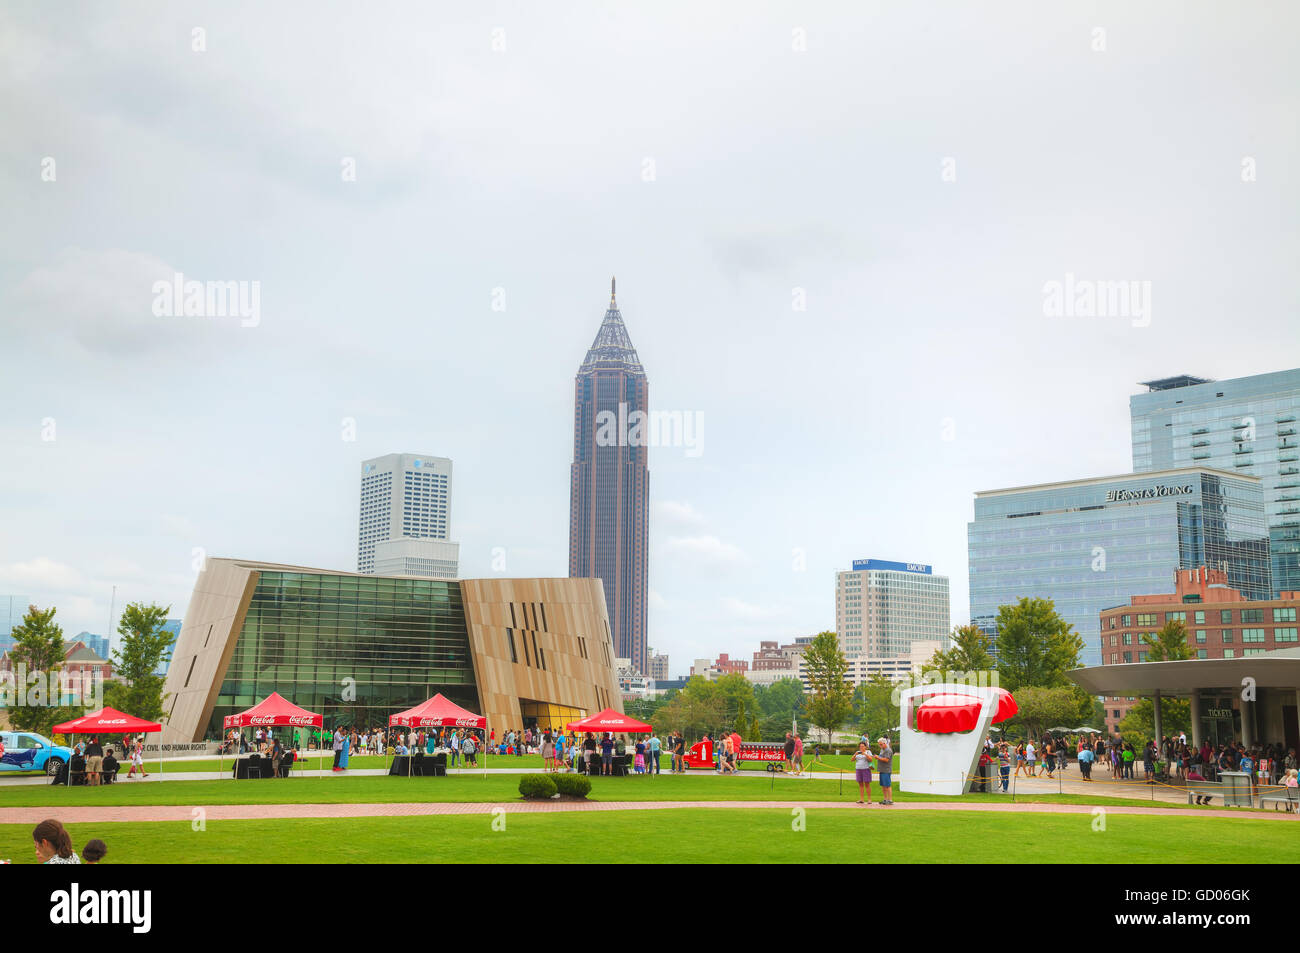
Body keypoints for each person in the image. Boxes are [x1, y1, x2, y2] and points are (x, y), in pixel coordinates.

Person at [875, 737, 894, 805]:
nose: (880, 746)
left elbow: (886, 760)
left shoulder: (888, 750)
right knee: (883, 785)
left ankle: (890, 799)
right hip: (881, 770)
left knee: (887, 785)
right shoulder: (882, 750)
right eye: (879, 744)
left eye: (881, 744)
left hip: (886, 770)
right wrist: (878, 757)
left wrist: (878, 758)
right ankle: (885, 799)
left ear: (884, 743)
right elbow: (881, 757)